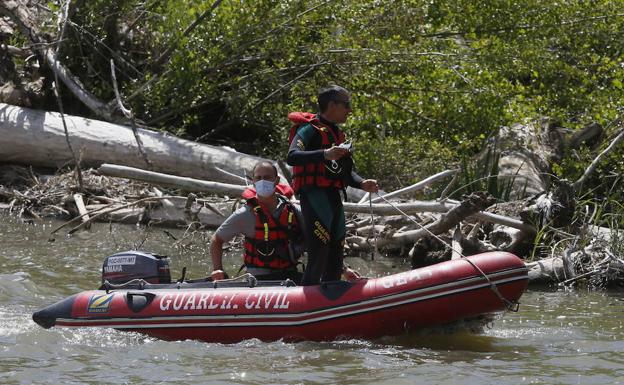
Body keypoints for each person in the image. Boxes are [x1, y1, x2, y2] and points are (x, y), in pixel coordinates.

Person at [286, 85, 379, 286]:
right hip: (314, 197)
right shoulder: (308, 130)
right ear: (332, 105)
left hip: (334, 199)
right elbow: (292, 157)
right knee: (319, 253)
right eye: (346, 105)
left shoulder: (339, 136)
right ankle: (308, 299)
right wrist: (325, 154)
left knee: (337, 252)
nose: (350, 110)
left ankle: (332, 295)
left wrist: (362, 183)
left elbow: (346, 173)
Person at [209, 161, 304, 282]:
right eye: (258, 178)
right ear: (253, 182)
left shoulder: (294, 211)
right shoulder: (244, 214)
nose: (262, 181)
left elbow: (315, 242)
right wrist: (218, 269)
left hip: (289, 275)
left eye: (267, 177)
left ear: (276, 180)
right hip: (257, 279)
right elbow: (216, 240)